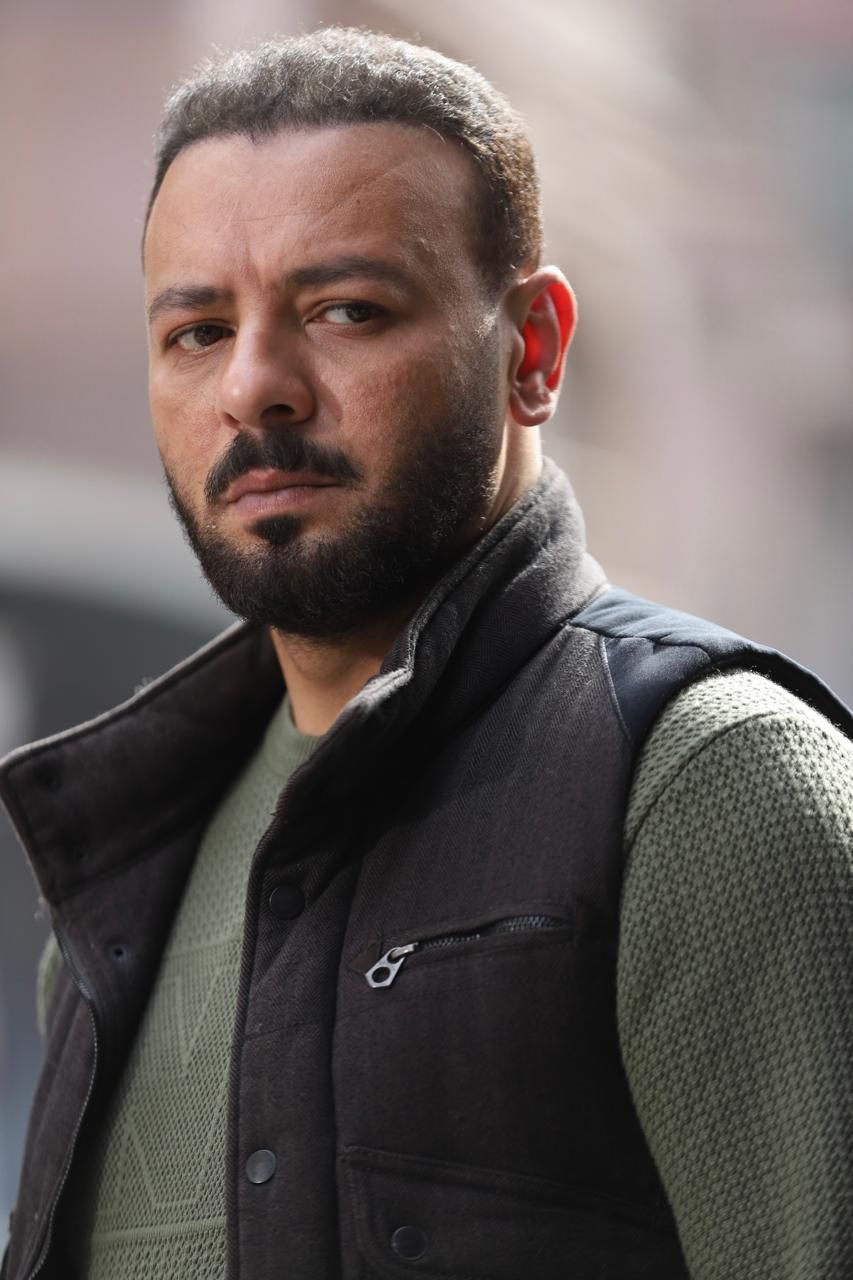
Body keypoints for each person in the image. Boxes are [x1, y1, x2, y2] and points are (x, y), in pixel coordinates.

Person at [2, 26, 852, 1280]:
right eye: (197, 329)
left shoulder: (714, 785)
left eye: (347, 310)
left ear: (533, 348)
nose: (254, 386)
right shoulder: (125, 868)